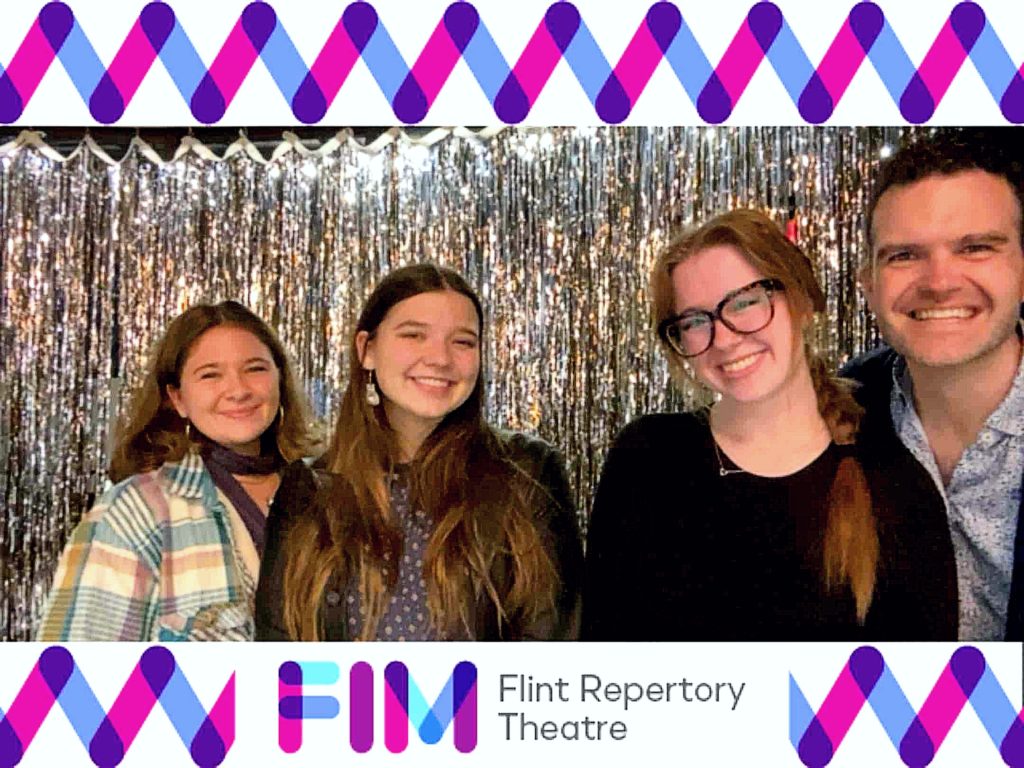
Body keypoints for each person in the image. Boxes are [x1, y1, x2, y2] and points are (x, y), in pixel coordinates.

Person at [582, 209, 956, 640]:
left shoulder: (896, 486)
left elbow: (921, 699)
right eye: (695, 321)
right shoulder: (648, 457)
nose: (723, 339)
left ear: (800, 300)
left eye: (745, 302)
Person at [255, 263, 582, 641]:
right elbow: (277, 654)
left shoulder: (527, 472)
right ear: (367, 350)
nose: (440, 358)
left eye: (463, 342)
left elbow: (550, 649)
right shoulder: (308, 488)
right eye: (414, 335)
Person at [37, 301, 320, 641]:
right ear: (177, 398)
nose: (239, 390)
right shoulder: (135, 512)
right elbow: (72, 682)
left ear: (280, 379)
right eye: (210, 375)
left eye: (256, 369)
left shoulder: (331, 494)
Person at [845, 131, 1024, 641]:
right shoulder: (829, 416)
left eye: (975, 248)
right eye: (904, 255)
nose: (940, 281)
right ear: (870, 287)